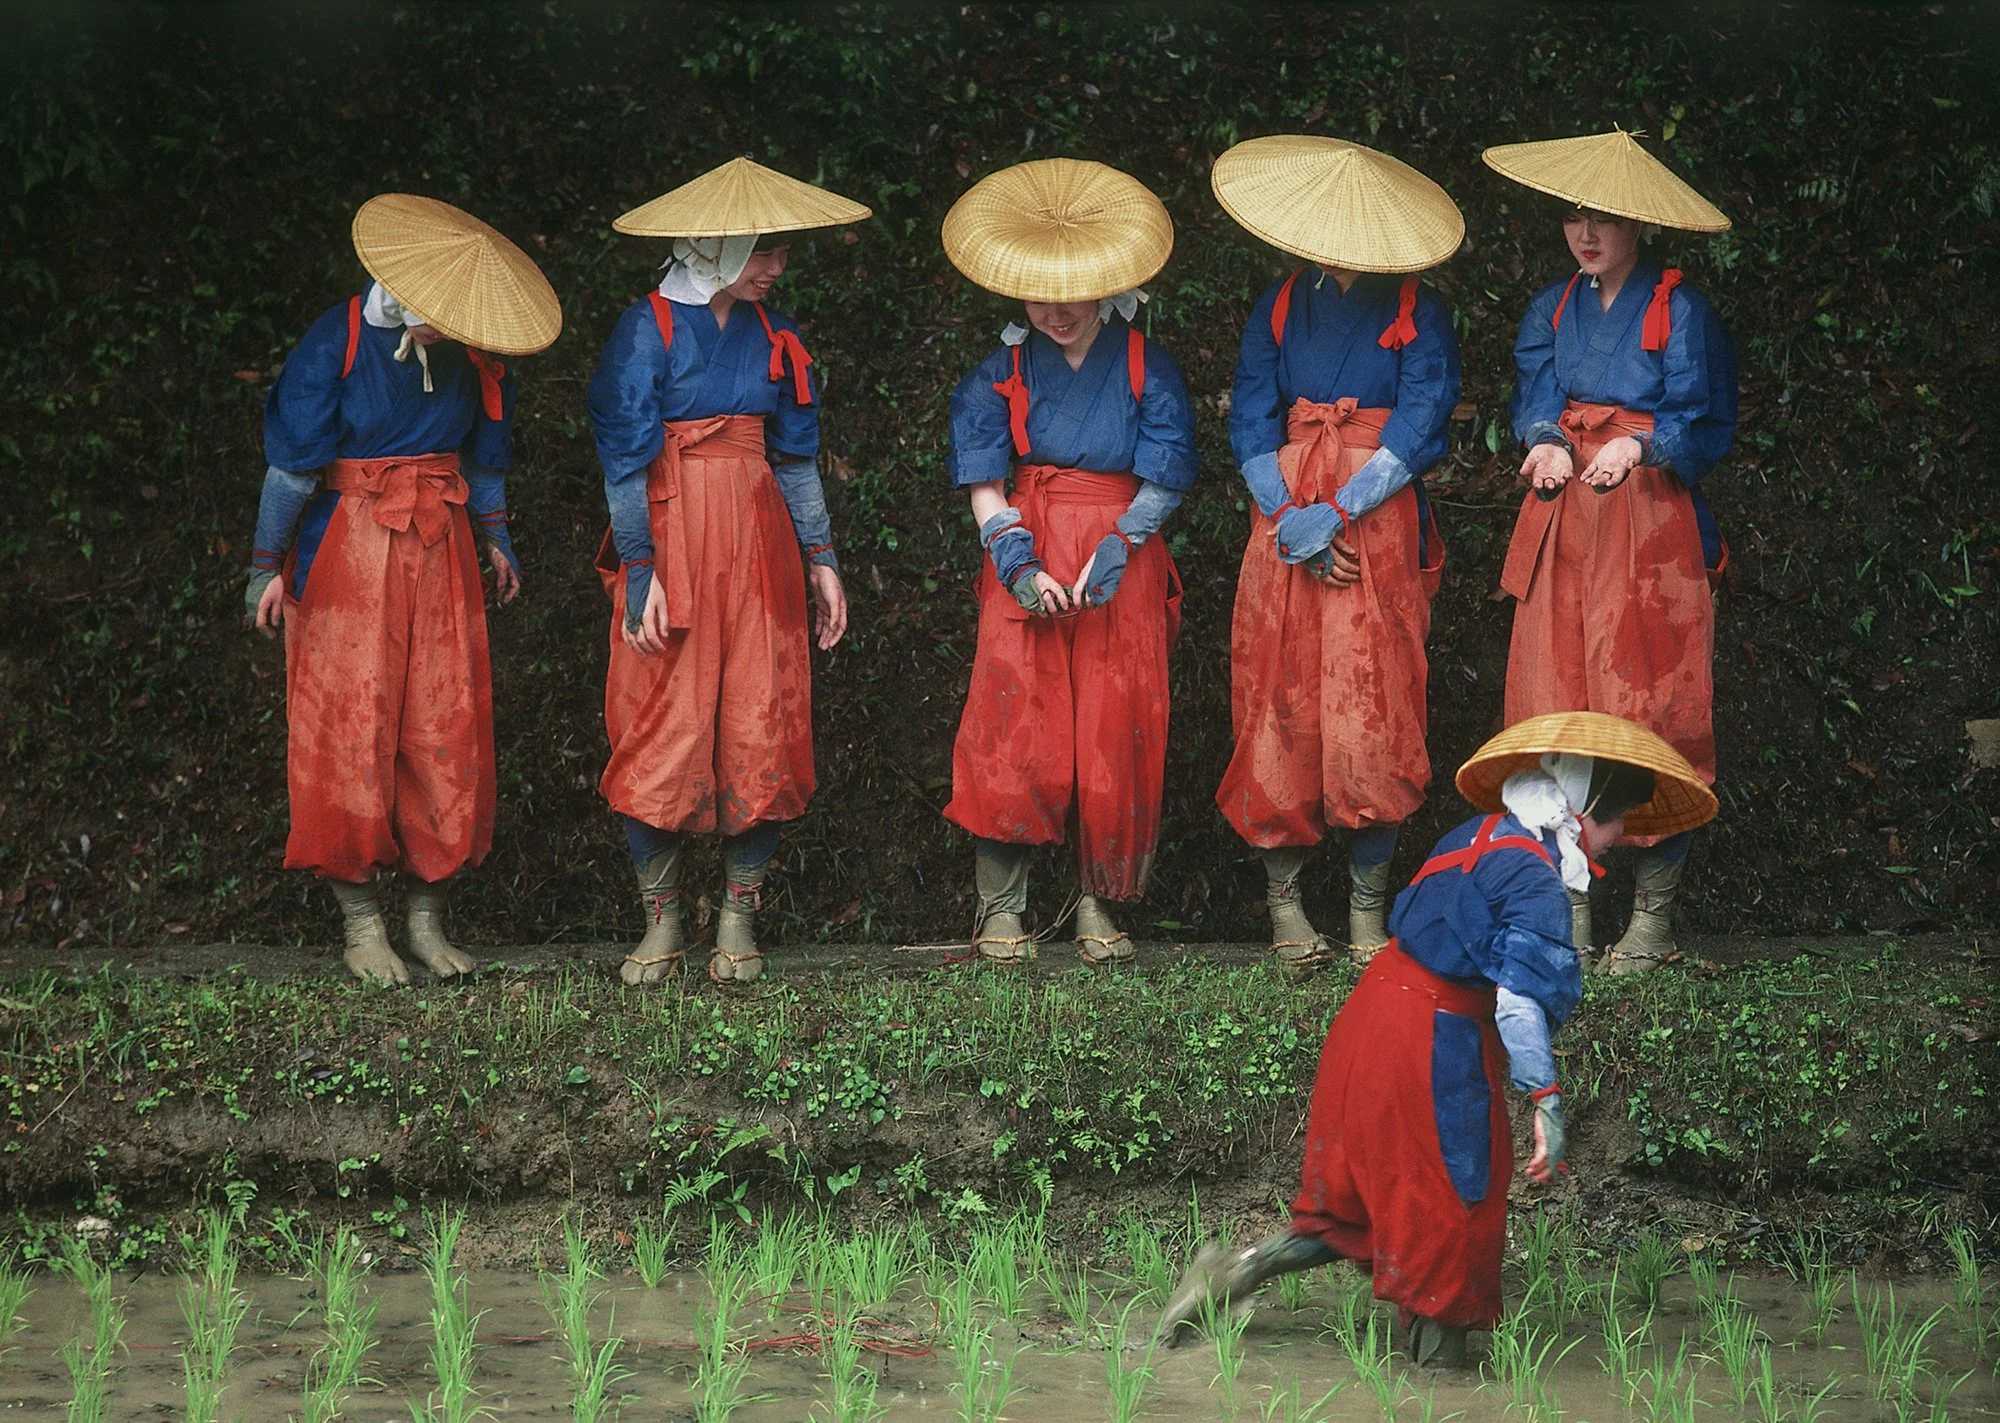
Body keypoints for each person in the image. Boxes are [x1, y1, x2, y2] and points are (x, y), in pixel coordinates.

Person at [1155, 712, 1717, 1365]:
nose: (1620, 837)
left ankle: (1233, 1272)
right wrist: (1546, 1102)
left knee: (1367, 1198)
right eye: (1618, 821)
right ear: (1587, 809)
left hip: (1368, 1021)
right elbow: (1518, 1003)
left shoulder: (1473, 834)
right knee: (1456, 1208)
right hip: (1428, 1042)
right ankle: (1440, 1379)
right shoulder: (1536, 879)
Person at [245, 194, 562, 984]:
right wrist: (264, 567)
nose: (446, 327)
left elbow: (482, 458)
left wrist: (497, 538)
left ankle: (427, 915)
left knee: (442, 721)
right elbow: (291, 471)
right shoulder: (339, 341)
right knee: (348, 726)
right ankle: (361, 923)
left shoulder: (469, 352)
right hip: (349, 546)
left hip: (442, 544)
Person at [587, 158, 870, 987]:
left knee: (763, 717)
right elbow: (622, 465)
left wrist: (822, 559)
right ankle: (663, 923)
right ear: (713, 245)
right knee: (657, 723)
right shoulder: (646, 329)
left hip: (757, 548)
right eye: (762, 250)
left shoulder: (777, 335)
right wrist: (640, 570)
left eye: (780, 250)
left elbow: (797, 459)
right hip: (670, 542)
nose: (777, 265)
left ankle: (739, 918)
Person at [1483, 129, 1738, 973]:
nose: (1586, 233)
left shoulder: (1679, 307)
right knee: (1556, 697)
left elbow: (1702, 418)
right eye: (1573, 216)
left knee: (1650, 703)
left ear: (1640, 224)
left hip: (1650, 526)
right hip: (1567, 520)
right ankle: (1568, 914)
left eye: (1606, 219)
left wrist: (1642, 444)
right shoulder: (1554, 307)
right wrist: (1547, 441)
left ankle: (1652, 924)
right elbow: (1536, 396)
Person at [1208, 135, 1464, 968]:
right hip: (1282, 520)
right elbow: (1251, 411)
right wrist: (1290, 518)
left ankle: (1364, 909)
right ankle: (1285, 906)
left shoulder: (1418, 308)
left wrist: (1341, 511)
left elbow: (1423, 420)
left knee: (1376, 703)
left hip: (1376, 520)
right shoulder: (1282, 303)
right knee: (1276, 695)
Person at [938, 158, 1198, 965]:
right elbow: (985, 482)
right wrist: (1016, 561)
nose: (1056, 310)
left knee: (1114, 723)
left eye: (1074, 293)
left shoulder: (1146, 363)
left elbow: (1167, 470)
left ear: (1107, 284)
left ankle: (1098, 902)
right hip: (1029, 542)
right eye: (1038, 294)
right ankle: (1002, 908)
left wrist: (1123, 540)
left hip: (1123, 553)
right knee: (1011, 718)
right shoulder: (1001, 370)